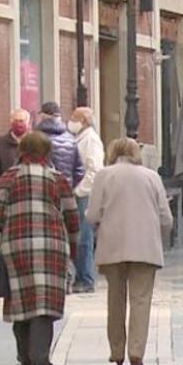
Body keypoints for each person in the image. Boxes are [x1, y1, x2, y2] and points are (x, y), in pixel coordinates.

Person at [0, 131, 80, 365]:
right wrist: (74, 245)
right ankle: (40, 355)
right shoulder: (57, 179)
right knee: (44, 301)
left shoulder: (9, 177)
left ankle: (23, 353)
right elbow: (72, 215)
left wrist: (7, 224)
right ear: (47, 152)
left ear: (21, 151)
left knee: (20, 297)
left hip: (17, 245)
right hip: (52, 247)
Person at [86, 137, 174, 365]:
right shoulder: (151, 177)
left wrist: (100, 225)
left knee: (115, 298)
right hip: (145, 247)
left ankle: (116, 351)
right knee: (141, 300)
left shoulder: (104, 175)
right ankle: (136, 352)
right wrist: (159, 235)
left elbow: (92, 215)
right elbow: (166, 217)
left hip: (113, 246)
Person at [68, 107, 104, 292]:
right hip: (80, 193)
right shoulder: (80, 138)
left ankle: (86, 278)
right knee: (79, 235)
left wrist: (79, 191)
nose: (71, 120)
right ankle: (81, 276)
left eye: (74, 117)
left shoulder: (90, 140)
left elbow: (95, 169)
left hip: (84, 195)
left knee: (84, 236)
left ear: (84, 120)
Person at [35, 101, 85, 188]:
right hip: (64, 189)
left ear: (43, 116)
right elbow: (79, 171)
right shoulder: (71, 138)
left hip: (43, 188)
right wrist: (69, 186)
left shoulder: (35, 138)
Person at [0, 109, 31, 187]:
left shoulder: (35, 143)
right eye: (16, 120)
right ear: (11, 122)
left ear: (28, 123)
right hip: (6, 192)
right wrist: (0, 184)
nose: (19, 124)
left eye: (22, 121)